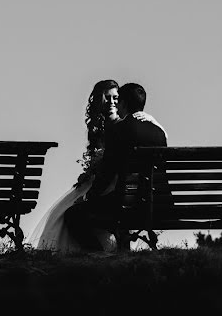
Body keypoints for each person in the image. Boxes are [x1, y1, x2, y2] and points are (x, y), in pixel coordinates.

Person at [63, 82, 167, 251]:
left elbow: (107, 173)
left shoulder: (119, 129)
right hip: (159, 203)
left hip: (127, 205)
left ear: (124, 103)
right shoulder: (160, 132)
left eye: (119, 100)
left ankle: (98, 256)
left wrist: (89, 196)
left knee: (73, 215)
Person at [26, 79, 120, 252]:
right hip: (97, 178)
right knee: (60, 211)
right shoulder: (97, 128)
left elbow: (111, 161)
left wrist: (95, 170)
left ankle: (94, 252)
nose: (112, 102)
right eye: (107, 98)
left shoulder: (119, 126)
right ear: (98, 100)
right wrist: (89, 172)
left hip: (111, 182)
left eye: (116, 98)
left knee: (69, 211)